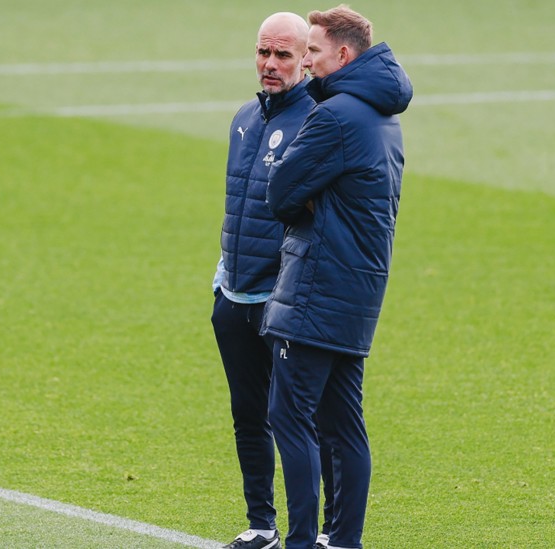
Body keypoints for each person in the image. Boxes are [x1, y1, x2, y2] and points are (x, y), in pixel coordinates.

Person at [261, 6, 413, 549]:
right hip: (357, 291)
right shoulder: (383, 116)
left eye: (313, 51)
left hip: (316, 290)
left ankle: (302, 541)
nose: (305, 61)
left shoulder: (335, 116)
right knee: (344, 422)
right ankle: (344, 540)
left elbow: (280, 193)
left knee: (288, 415)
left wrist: (307, 199)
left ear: (343, 54)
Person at [211, 11, 334, 549]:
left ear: (305, 60)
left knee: (304, 422)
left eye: (283, 54)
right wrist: (222, 277)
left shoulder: (317, 121)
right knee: (248, 415)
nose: (270, 63)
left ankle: (327, 532)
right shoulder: (244, 117)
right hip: (234, 294)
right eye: (264, 52)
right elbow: (238, 203)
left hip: (282, 301)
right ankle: (261, 524)